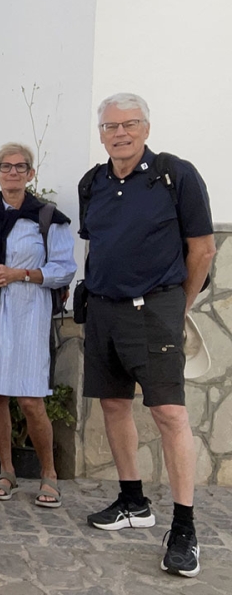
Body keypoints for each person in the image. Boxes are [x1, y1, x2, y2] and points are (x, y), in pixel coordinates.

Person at [81, 93, 215, 578]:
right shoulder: (92, 182)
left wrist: (177, 307)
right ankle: (133, 501)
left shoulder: (174, 174)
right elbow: (100, 244)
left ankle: (184, 528)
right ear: (100, 134)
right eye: (110, 126)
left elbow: (202, 249)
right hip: (103, 309)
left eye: (130, 123)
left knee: (169, 414)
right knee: (113, 405)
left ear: (146, 128)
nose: (120, 132)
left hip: (153, 308)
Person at [0, 142, 76, 509]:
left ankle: (49, 473)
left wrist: (20, 274)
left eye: (20, 166)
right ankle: (6, 469)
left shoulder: (48, 218)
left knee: (30, 398)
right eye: (5, 166)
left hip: (29, 316)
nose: (12, 172)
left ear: (31, 174)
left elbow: (64, 268)